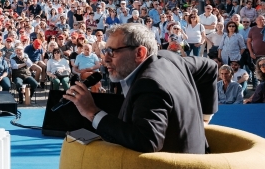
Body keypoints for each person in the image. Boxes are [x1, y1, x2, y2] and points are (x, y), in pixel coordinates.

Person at [63, 23, 218, 154]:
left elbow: (147, 141)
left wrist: (92, 112)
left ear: (140, 53)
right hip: (197, 156)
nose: (105, 59)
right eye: (105, 51)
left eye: (112, 52)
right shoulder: (167, 58)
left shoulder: (150, 84)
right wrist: (205, 117)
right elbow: (209, 67)